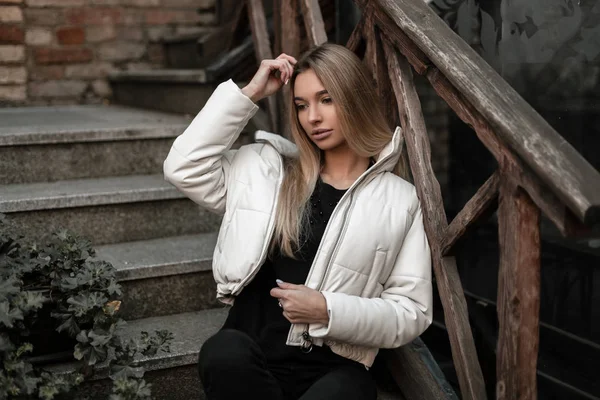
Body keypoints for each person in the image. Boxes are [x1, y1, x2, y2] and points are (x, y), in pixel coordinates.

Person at [163, 43, 433, 400]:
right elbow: (183, 168)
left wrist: (328, 309)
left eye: (326, 100)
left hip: (334, 367)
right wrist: (249, 94)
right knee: (223, 353)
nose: (313, 118)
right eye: (301, 105)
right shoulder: (268, 172)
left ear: (356, 100)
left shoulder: (400, 200)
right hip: (251, 354)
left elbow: (411, 311)